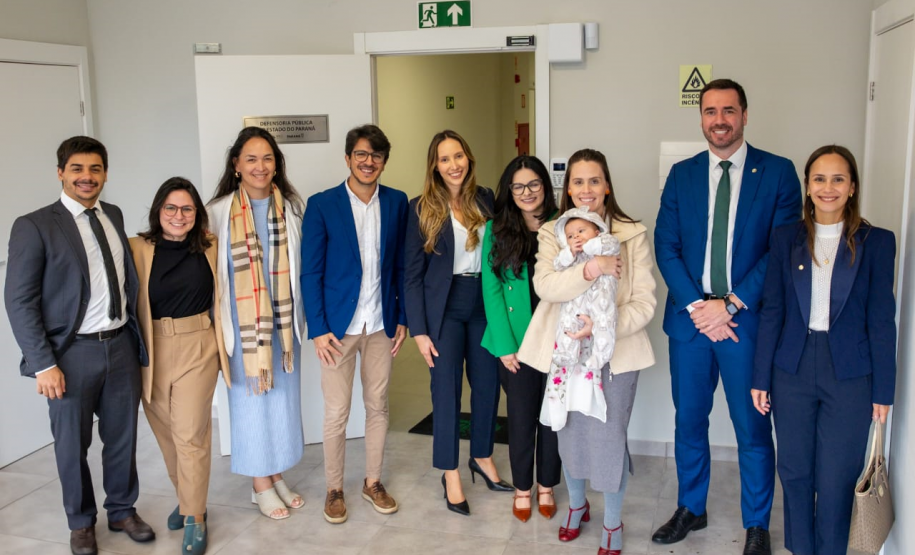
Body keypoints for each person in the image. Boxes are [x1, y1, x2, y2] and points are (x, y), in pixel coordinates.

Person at [653, 78, 802, 555]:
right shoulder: (682, 174)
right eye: (710, 111)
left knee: (752, 427)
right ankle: (690, 507)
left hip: (745, 324)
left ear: (744, 115)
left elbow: (781, 252)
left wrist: (731, 304)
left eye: (729, 111)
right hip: (692, 324)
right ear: (701, 117)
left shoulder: (777, 173)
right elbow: (666, 246)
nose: (719, 120)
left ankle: (756, 522)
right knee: (689, 420)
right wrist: (699, 308)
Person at [4, 136, 154, 555]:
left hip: (121, 345)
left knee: (122, 436)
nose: (87, 178)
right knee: (72, 443)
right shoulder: (34, 225)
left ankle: (123, 509)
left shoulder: (114, 215)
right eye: (78, 169)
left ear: (105, 173)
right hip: (69, 354)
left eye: (95, 169)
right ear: (60, 173)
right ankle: (81, 522)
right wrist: (42, 364)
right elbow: (19, 301)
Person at [751, 146, 896, 555]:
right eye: (819, 179)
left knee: (836, 477)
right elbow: (773, 312)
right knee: (795, 472)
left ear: (852, 187)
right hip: (792, 368)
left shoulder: (878, 243)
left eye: (837, 179)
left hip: (849, 373)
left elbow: (883, 320)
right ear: (807, 187)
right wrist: (760, 378)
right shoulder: (786, 239)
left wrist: (884, 390)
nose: (827, 187)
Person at [518, 148, 656, 555]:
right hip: (565, 354)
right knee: (568, 434)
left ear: (607, 184)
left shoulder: (630, 234)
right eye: (577, 181)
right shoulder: (552, 234)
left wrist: (603, 329)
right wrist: (590, 269)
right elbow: (546, 286)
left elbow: (645, 303)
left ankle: (612, 523)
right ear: (568, 187)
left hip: (617, 354)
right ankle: (577, 506)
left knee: (610, 439)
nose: (586, 189)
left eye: (594, 180)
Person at [300, 124, 408, 524]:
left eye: (376, 156)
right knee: (336, 411)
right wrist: (317, 328)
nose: (368, 162)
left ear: (383, 162)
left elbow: (400, 265)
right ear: (348, 158)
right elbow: (310, 273)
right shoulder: (322, 204)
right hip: (336, 330)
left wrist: (402, 318)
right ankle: (333, 489)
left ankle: (373, 482)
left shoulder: (397, 203)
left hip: (381, 323)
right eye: (361, 154)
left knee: (378, 406)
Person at [404, 129, 510, 516]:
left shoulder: (485, 199)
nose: (454, 164)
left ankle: (481, 456)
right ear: (435, 164)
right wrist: (418, 330)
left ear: (469, 158)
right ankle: (449, 471)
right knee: (445, 393)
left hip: (483, 304)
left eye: (459, 156)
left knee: (487, 387)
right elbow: (411, 275)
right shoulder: (421, 208)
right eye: (445, 158)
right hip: (443, 311)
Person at [207, 126, 305, 520]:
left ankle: (275, 473)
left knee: (281, 403)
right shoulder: (216, 212)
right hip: (243, 332)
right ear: (236, 165)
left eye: (267, 158)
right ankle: (259, 484)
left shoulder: (293, 207)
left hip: (283, 330)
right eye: (251, 159)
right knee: (250, 406)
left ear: (277, 164)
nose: (260, 166)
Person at [130, 177, 228, 554]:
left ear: (197, 215)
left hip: (198, 345)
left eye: (187, 208)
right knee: (167, 435)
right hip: (151, 349)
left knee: (190, 434)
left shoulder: (210, 246)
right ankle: (187, 497)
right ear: (158, 211)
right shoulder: (136, 248)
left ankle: (196, 516)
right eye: (170, 208)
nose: (178, 215)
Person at [480, 155, 560, 522]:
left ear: (545, 186)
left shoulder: (564, 225)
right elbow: (491, 290)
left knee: (553, 418)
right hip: (516, 343)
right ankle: (523, 489)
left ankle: (547, 485)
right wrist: (505, 346)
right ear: (509, 191)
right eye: (518, 186)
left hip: (559, 340)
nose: (526, 192)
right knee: (522, 417)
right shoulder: (497, 229)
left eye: (533, 184)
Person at [542, 206, 621, 432]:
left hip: (600, 303)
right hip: (574, 307)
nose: (576, 237)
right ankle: (555, 403)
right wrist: (570, 251)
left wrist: (590, 244)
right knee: (564, 340)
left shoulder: (605, 243)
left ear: (597, 230)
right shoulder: (571, 256)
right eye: (570, 235)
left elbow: (610, 244)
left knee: (605, 329)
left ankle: (599, 358)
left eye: (581, 230)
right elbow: (557, 264)